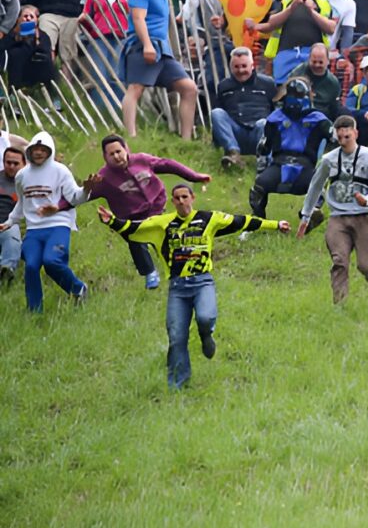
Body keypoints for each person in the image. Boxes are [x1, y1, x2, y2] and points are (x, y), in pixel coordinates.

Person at [97, 183, 290, 389]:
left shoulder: (209, 219)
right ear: (172, 201)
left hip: (202, 281)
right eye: (177, 198)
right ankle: (177, 386)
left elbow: (242, 221)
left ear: (192, 197)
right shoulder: (163, 223)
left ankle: (206, 335)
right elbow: (133, 229)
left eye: (184, 197)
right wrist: (112, 221)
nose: (181, 201)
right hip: (177, 288)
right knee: (176, 336)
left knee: (205, 317)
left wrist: (276, 224)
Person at [72, 135, 211, 290]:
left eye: (119, 151)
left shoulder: (142, 160)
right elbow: (80, 197)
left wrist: (195, 176)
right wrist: (58, 207)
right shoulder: (104, 179)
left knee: (168, 239)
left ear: (126, 149)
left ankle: (184, 271)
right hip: (130, 217)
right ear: (105, 157)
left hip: (156, 207)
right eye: (111, 154)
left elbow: (168, 164)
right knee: (135, 240)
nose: (117, 156)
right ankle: (150, 273)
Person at [297, 115, 368, 309]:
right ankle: (340, 306)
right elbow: (315, 187)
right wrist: (306, 215)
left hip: (364, 217)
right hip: (338, 217)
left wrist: (366, 200)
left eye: (348, 137)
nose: (343, 141)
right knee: (339, 261)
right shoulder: (329, 159)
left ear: (356, 134)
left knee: (366, 265)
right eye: (340, 137)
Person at [118, 0, 199, 140]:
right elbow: (138, 19)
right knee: (135, 88)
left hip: (162, 49)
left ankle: (186, 138)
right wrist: (146, 45)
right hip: (143, 45)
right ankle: (131, 136)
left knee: (189, 88)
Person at [0, 132, 89, 312]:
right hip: (34, 229)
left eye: (43, 150)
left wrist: (86, 189)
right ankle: (35, 310)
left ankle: (78, 288)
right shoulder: (22, 175)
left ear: (50, 151)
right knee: (31, 266)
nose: (39, 153)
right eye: (35, 149)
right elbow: (22, 204)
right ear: (29, 151)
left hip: (58, 225)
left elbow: (74, 197)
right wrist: (10, 221)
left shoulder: (60, 171)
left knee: (52, 261)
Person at [250, 78, 333, 219]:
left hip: (305, 167)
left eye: (299, 96)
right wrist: (261, 171)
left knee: (319, 185)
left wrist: (329, 168)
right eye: (292, 96)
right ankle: (258, 220)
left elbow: (338, 140)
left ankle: (309, 217)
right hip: (279, 166)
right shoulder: (275, 118)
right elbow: (263, 147)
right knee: (259, 186)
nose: (296, 100)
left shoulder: (319, 119)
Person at [212, 47, 276, 169]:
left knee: (264, 123)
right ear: (231, 68)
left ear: (252, 66)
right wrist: (214, 143)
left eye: (244, 66)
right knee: (216, 113)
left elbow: (276, 112)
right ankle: (233, 154)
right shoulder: (224, 86)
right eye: (236, 67)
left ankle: (266, 162)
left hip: (259, 133)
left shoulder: (268, 83)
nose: (241, 70)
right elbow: (220, 117)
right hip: (236, 133)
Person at [284, 43, 343, 120]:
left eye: (320, 62)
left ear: (327, 61)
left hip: (322, 118)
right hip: (299, 115)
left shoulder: (333, 83)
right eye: (314, 62)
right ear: (309, 59)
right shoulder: (298, 73)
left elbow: (334, 108)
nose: (317, 65)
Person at [0, 146, 25, 285]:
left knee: (12, 231)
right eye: (8, 162)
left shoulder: (27, 183)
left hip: (8, 225)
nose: (11, 166)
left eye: (15, 163)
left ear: (24, 164)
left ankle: (6, 270)